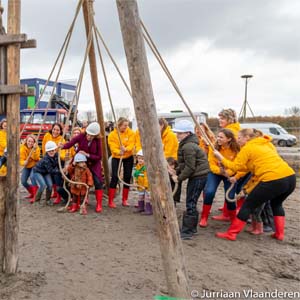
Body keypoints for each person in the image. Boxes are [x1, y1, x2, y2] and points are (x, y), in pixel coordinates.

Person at [214, 128, 296, 241]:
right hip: (290, 177)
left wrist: (221, 158)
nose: (237, 140)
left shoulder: (247, 148)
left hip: (272, 179)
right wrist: (241, 184)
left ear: (247, 138)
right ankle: (279, 234)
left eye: (239, 138)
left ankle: (231, 233)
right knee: (277, 204)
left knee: (247, 205)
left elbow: (235, 166)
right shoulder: (266, 144)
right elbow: (248, 168)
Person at [172, 120, 209, 240]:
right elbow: (186, 164)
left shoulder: (188, 146)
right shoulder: (187, 144)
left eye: (180, 133)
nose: (177, 135)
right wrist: (177, 170)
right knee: (191, 200)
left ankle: (188, 231)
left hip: (198, 176)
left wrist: (179, 177)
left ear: (187, 133)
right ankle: (191, 229)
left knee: (191, 202)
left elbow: (190, 167)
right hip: (198, 175)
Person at [199, 129, 245, 227]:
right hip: (216, 172)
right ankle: (204, 217)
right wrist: (220, 171)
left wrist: (228, 173)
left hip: (230, 173)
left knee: (230, 196)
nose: (218, 139)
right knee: (209, 192)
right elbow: (211, 164)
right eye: (218, 136)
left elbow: (236, 165)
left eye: (221, 137)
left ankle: (233, 219)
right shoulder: (213, 147)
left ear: (229, 139)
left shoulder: (237, 149)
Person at [59, 122, 104, 213]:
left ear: (95, 135)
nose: (88, 136)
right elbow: (72, 142)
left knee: (98, 181)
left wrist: (87, 155)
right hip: (80, 161)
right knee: (71, 177)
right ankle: (74, 200)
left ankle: (99, 204)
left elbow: (99, 156)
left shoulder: (98, 141)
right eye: (88, 134)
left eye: (91, 135)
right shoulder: (81, 136)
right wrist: (63, 146)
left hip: (93, 163)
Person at [108, 117, 135, 208]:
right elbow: (112, 146)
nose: (126, 127)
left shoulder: (130, 132)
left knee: (127, 176)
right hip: (117, 157)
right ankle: (111, 200)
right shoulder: (112, 134)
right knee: (115, 176)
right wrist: (118, 151)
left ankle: (125, 199)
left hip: (128, 156)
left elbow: (132, 143)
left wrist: (126, 149)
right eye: (124, 125)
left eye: (127, 125)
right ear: (119, 125)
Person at [42, 123, 66, 203]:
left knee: (57, 177)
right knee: (51, 176)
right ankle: (55, 193)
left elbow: (62, 155)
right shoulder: (47, 136)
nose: (55, 131)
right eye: (54, 129)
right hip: (49, 159)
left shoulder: (62, 140)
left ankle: (59, 197)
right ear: (52, 129)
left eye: (58, 130)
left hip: (58, 161)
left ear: (60, 131)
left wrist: (56, 151)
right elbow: (44, 147)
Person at [31, 141, 59, 205]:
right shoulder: (46, 159)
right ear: (47, 151)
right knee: (43, 185)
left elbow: (58, 163)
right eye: (49, 151)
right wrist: (60, 171)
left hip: (45, 172)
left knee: (50, 185)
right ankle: (36, 201)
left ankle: (47, 200)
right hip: (38, 171)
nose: (51, 152)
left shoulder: (57, 155)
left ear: (55, 150)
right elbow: (51, 171)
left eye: (53, 150)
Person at [20, 135, 41, 200]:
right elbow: (20, 159)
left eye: (32, 142)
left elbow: (36, 158)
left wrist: (34, 150)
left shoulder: (36, 148)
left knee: (32, 177)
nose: (30, 143)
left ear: (34, 142)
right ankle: (32, 193)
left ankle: (35, 195)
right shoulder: (22, 148)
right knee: (23, 181)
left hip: (35, 165)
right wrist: (23, 162)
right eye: (29, 141)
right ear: (26, 141)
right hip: (27, 166)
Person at [133, 150, 152, 215]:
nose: (140, 160)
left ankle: (148, 209)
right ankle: (141, 207)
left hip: (146, 186)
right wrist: (135, 182)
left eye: (142, 159)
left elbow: (147, 178)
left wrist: (145, 186)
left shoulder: (146, 167)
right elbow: (136, 175)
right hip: (140, 185)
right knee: (140, 196)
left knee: (147, 198)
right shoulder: (138, 166)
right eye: (139, 158)